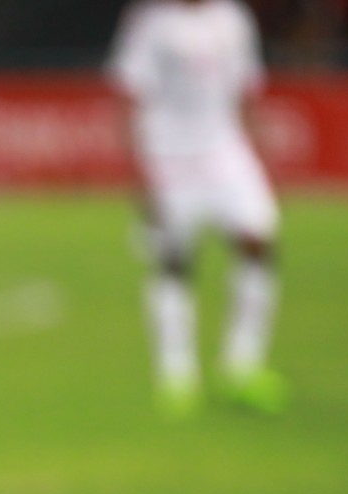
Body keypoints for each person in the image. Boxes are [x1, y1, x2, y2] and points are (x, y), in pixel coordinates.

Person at [110, 0, 287, 416]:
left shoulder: (233, 18)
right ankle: (176, 375)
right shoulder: (152, 22)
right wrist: (140, 174)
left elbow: (245, 87)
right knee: (175, 261)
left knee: (258, 241)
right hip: (169, 153)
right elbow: (130, 95)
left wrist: (258, 148)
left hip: (225, 150)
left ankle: (242, 365)